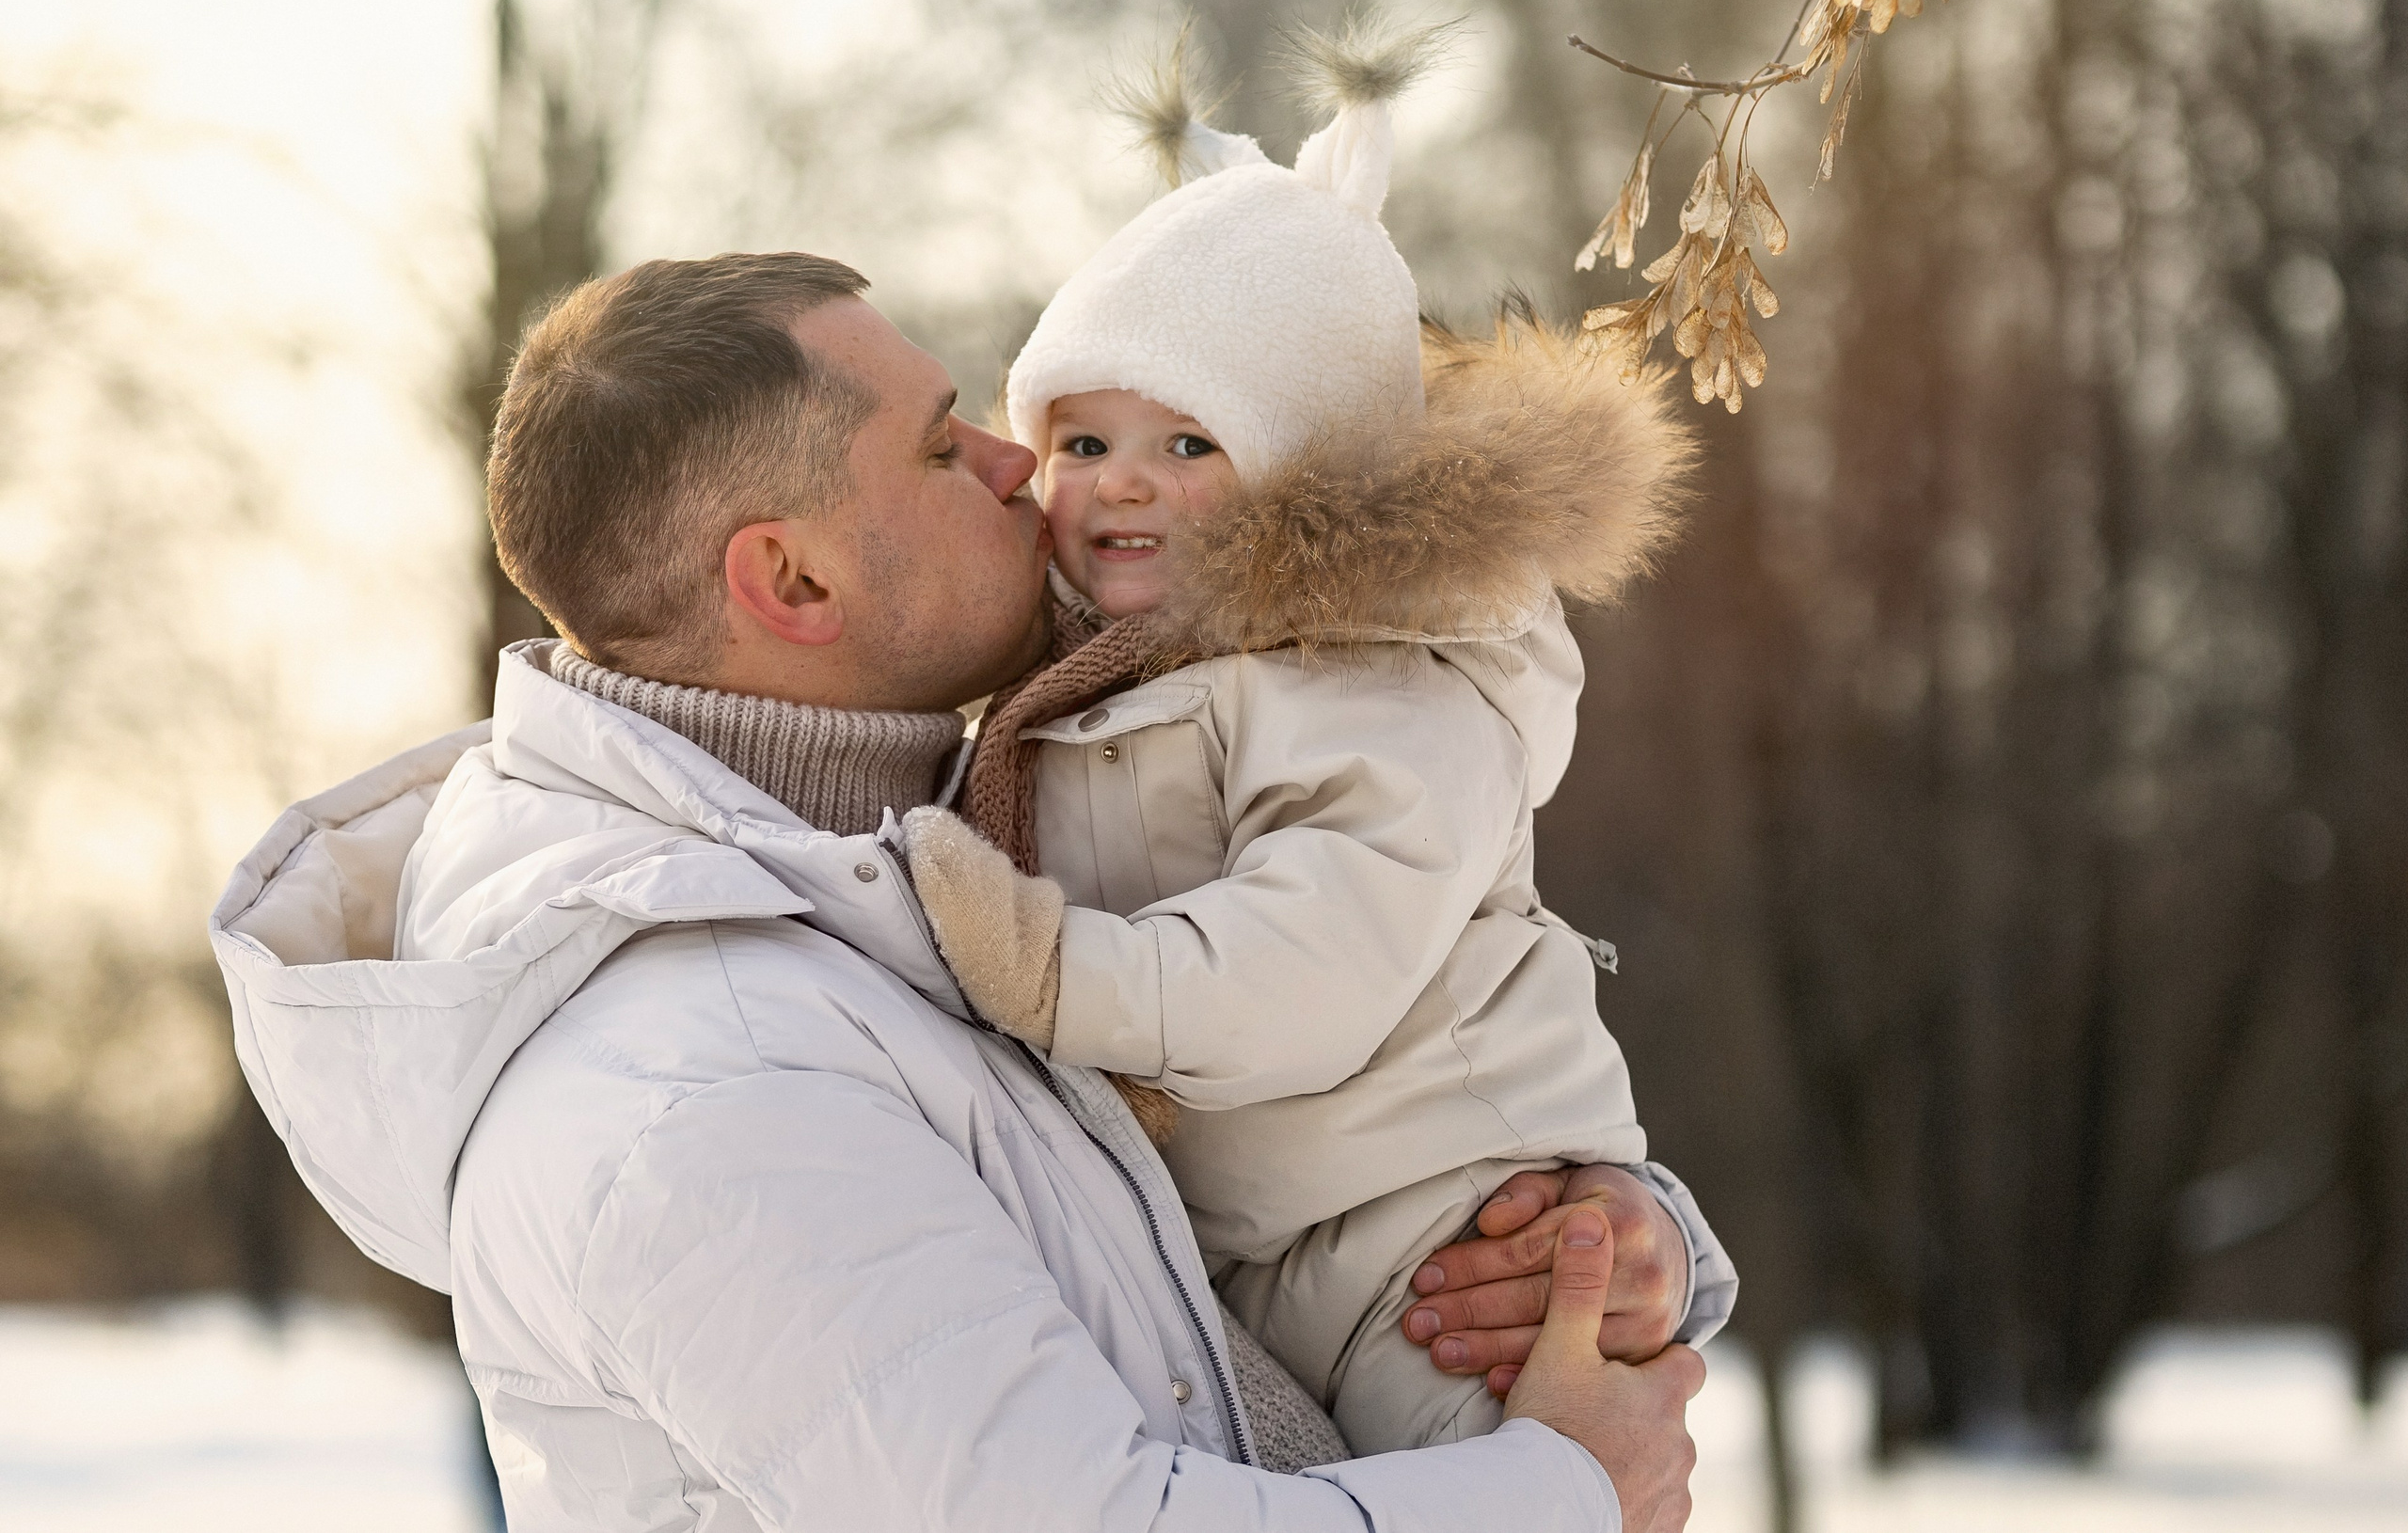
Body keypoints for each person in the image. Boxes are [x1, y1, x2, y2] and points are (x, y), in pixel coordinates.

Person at [207, 248, 1724, 1531]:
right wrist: (1562, 1487)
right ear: (790, 584)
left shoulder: (916, 893)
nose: (1022, 467)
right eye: (946, 446)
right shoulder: (704, 1080)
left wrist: (1575, 1231)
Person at [891, 25, 1716, 1458]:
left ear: (1302, 470)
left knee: (1506, 1495)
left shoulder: (1375, 675)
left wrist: (1051, 974)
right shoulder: (1080, 686)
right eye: (1082, 443)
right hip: (1265, 1260)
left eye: (1191, 444)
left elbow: (1311, 959)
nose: (1122, 484)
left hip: (1447, 1239)